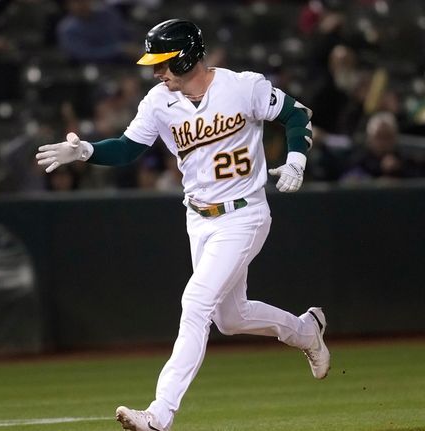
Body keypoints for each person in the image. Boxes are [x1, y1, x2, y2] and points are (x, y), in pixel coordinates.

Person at [35, 19, 330, 431]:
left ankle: (159, 414)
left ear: (188, 56)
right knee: (231, 317)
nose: (157, 71)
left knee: (195, 304)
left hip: (244, 214)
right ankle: (305, 329)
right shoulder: (159, 101)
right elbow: (127, 148)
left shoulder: (242, 86)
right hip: (199, 218)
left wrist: (297, 157)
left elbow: (297, 114)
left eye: (164, 62)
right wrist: (85, 150)